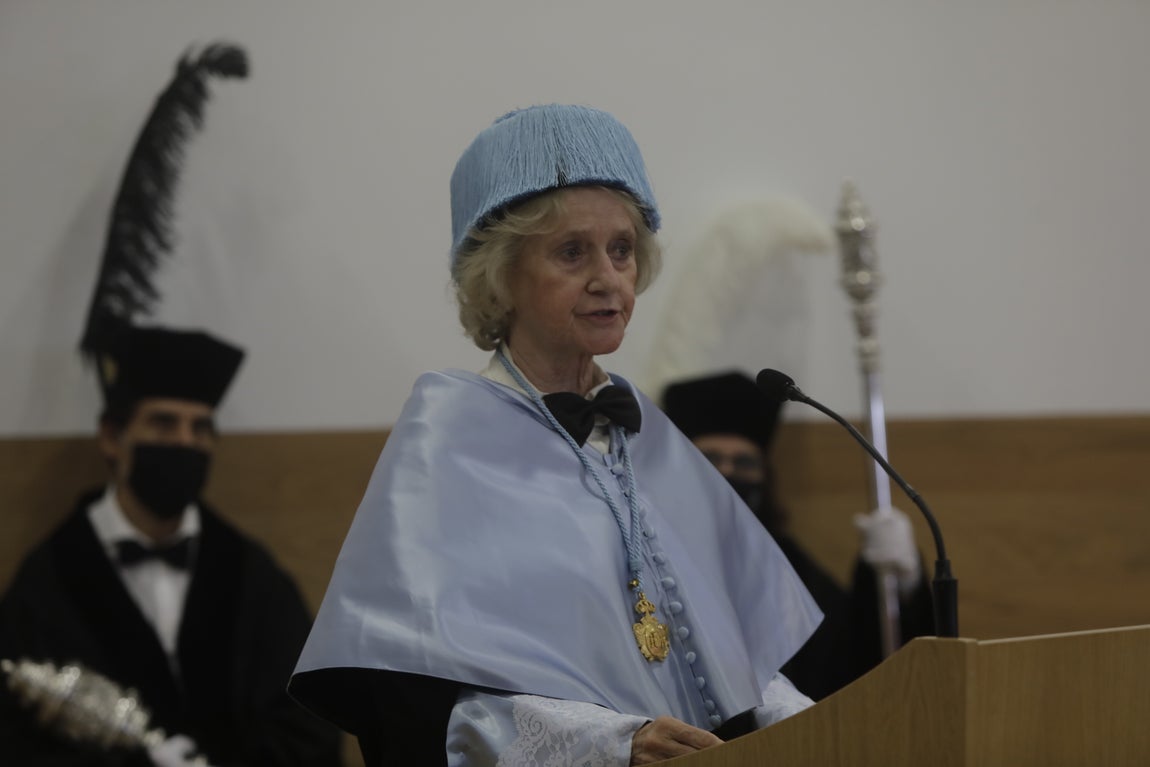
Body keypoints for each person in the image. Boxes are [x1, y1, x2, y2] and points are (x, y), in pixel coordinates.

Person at [288, 104, 824, 767]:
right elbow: (411, 700)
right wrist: (608, 745)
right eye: (572, 251)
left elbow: (723, 656)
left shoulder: (647, 434)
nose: (608, 279)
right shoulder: (448, 437)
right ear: (500, 276)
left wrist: (819, 723)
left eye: (622, 249)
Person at [0, 326, 344, 767]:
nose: (185, 441)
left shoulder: (251, 575)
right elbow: (15, 738)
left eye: (199, 427)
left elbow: (309, 721)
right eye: (164, 422)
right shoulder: (48, 582)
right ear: (112, 437)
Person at [662, 371, 935, 700]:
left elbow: (858, 659)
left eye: (744, 463)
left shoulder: (788, 567)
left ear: (765, 476)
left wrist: (903, 583)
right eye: (710, 460)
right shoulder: (647, 554)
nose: (727, 474)